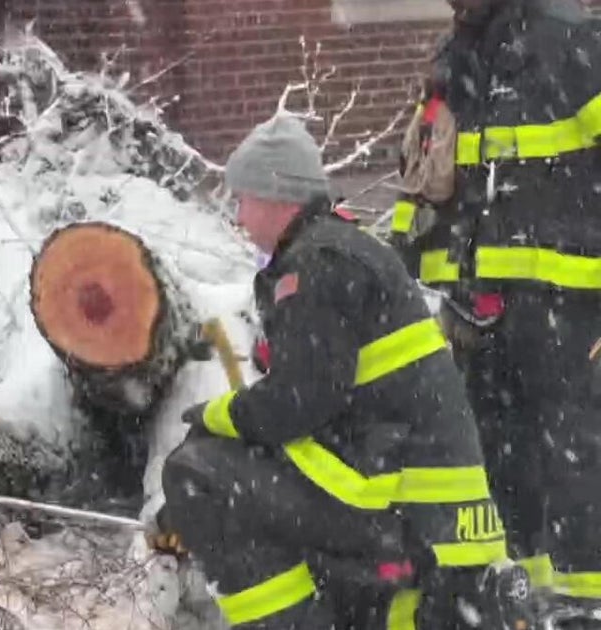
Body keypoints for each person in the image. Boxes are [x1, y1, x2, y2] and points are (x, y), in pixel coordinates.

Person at [152, 113, 532, 629]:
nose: (237, 216)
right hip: (428, 506)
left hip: (402, 502)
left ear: (275, 195)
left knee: (196, 472)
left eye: (242, 198)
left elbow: (299, 404)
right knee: (237, 468)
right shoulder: (343, 251)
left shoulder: (317, 266)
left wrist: (213, 418)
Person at [388, 0, 601, 619]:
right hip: (477, 310)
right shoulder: (454, 61)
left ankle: (588, 607)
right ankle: (523, 601)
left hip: (573, 308)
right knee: (499, 462)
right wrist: (398, 270)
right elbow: (424, 179)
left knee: (575, 458)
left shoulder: (574, 45)